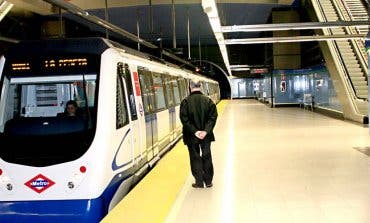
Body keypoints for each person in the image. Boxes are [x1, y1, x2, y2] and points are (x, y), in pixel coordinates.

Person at [180, 78, 218, 188]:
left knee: (194, 157)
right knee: (207, 156)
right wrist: (206, 131)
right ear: (200, 86)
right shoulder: (208, 101)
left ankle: (199, 182)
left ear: (190, 87)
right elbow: (213, 117)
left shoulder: (185, 102)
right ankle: (209, 181)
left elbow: (184, 120)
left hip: (191, 136)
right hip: (206, 136)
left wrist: (195, 131)